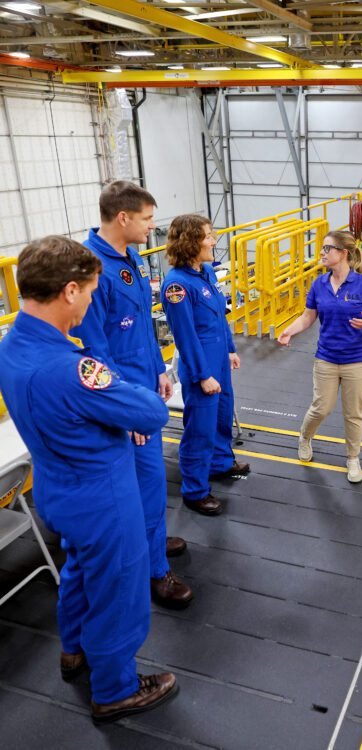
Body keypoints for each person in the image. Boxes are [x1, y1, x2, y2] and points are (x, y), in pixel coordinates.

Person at [0, 236, 178, 722]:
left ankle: (73, 650)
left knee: (79, 571)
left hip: (57, 490)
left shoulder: (11, 346)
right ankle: (116, 688)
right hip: (103, 499)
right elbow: (148, 411)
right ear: (71, 292)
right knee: (119, 592)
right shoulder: (71, 369)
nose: (93, 302)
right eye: (93, 291)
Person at [71, 181, 192, 610]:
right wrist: (124, 411)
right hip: (123, 398)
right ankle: (155, 571)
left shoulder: (134, 258)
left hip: (145, 384)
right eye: (146, 218)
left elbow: (143, 321)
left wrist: (160, 368)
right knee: (145, 483)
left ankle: (153, 540)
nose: (152, 226)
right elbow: (96, 352)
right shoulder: (90, 270)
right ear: (123, 218)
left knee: (151, 483)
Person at [278, 230, 362, 482]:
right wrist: (288, 332)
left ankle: (353, 458)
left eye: (327, 249)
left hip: (357, 360)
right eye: (323, 249)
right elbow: (308, 317)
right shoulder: (319, 284)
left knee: (353, 413)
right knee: (321, 408)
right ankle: (304, 437)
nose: (322, 253)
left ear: (343, 253)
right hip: (326, 358)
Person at [161, 214, 248, 512]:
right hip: (202, 367)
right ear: (190, 242)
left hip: (219, 359)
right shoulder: (177, 285)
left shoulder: (206, 272)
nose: (213, 240)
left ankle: (221, 462)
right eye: (208, 236)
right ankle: (195, 490)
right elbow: (185, 337)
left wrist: (231, 348)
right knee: (200, 430)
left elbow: (218, 314)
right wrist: (202, 375)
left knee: (223, 416)